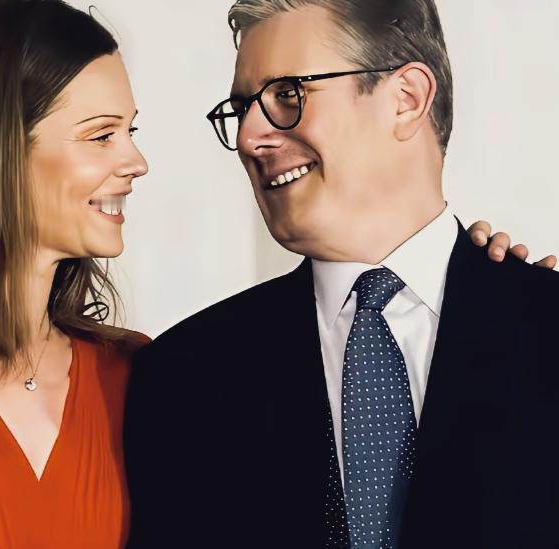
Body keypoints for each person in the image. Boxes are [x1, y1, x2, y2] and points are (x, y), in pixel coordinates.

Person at [124, 1, 559, 548]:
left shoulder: (543, 324)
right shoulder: (182, 377)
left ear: (406, 98)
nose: (249, 138)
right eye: (241, 109)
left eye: (288, 95)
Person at [0, 1, 148, 547]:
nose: (137, 162)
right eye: (102, 135)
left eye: (130, 130)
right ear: (0, 146)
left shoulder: (137, 375)